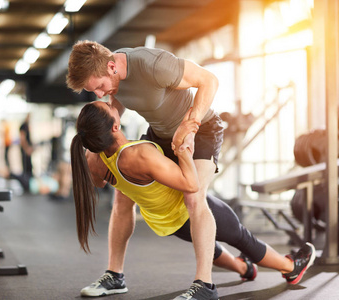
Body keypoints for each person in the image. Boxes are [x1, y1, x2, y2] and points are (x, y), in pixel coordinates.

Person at [70, 101, 316, 299]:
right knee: (241, 236)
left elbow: (102, 182)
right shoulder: (140, 155)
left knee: (211, 248)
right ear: (114, 127)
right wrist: (182, 147)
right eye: (110, 108)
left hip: (167, 224)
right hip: (186, 211)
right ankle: (290, 267)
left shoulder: (93, 160)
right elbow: (191, 184)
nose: (113, 104)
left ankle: (245, 268)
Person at [67, 40, 223, 298]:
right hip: (161, 134)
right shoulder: (113, 81)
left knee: (194, 197)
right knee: (122, 194)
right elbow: (112, 114)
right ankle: (115, 275)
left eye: (100, 87)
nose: (99, 94)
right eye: (93, 91)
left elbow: (209, 80)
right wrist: (95, 145)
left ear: (111, 67)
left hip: (202, 129)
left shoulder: (153, 65)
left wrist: (191, 125)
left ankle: (205, 286)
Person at [19, 113, 34, 190]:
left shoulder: (27, 126)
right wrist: (26, 148)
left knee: (29, 167)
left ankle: (30, 185)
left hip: (28, 149)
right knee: (26, 167)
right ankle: (26, 186)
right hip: (25, 150)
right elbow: (22, 139)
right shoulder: (23, 126)